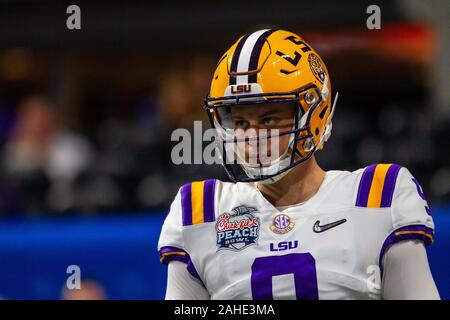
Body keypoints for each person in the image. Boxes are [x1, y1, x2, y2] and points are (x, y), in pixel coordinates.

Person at [158, 29, 439, 299]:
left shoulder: (379, 197)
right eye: (241, 122)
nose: (253, 137)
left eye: (268, 119)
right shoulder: (200, 211)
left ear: (314, 114)